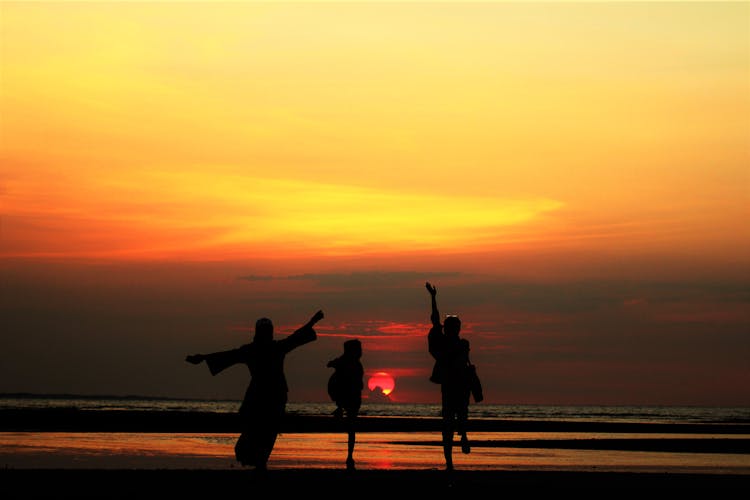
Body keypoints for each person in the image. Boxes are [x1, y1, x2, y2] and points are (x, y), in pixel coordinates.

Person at [186, 310, 324, 471]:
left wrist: (312, 321)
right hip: (264, 395)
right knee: (260, 429)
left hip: (270, 395)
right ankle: (257, 460)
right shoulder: (266, 348)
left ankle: (260, 461)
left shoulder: (263, 349)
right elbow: (230, 354)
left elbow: (295, 337)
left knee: (267, 430)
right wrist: (203, 357)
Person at [425, 282, 483, 471]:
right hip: (450, 386)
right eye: (454, 326)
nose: (456, 329)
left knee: (458, 420)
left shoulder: (463, 344)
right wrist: (433, 298)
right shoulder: (443, 342)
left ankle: (463, 436)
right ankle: (450, 462)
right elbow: (434, 320)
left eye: (457, 326)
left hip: (460, 386)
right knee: (449, 425)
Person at [326, 339, 364, 470]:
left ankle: (349, 455)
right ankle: (349, 455)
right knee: (351, 428)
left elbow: (330, 364)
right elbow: (330, 364)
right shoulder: (350, 363)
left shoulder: (352, 364)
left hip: (351, 396)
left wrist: (335, 364)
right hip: (348, 396)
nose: (361, 352)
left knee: (351, 427)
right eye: (359, 349)